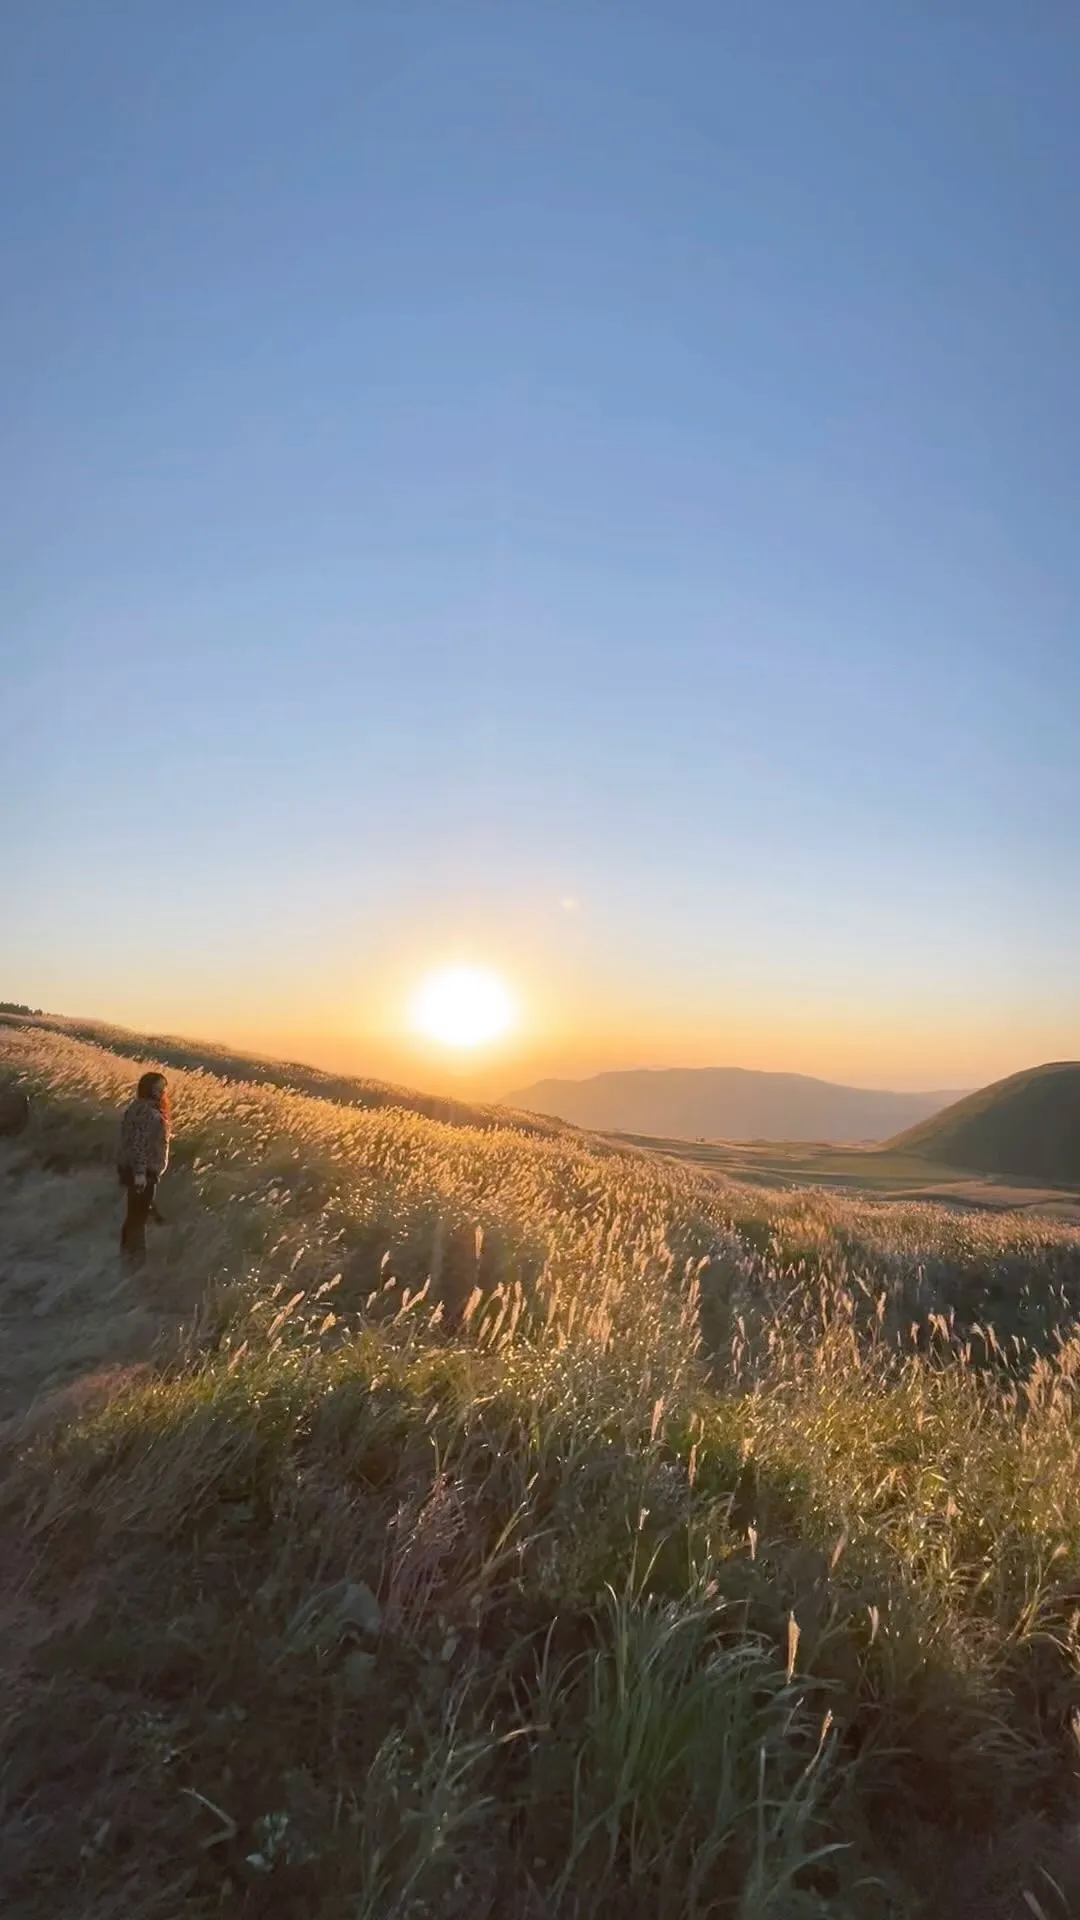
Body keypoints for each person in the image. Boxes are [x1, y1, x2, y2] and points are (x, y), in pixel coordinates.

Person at [118, 1071, 171, 1259]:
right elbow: (138, 1143)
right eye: (159, 1087)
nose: (163, 1090)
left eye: (163, 1087)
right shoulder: (147, 1111)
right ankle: (134, 1258)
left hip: (139, 1170)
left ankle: (127, 1254)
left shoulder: (138, 1106)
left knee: (135, 1214)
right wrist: (140, 1173)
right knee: (137, 1218)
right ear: (150, 1088)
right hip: (143, 1172)